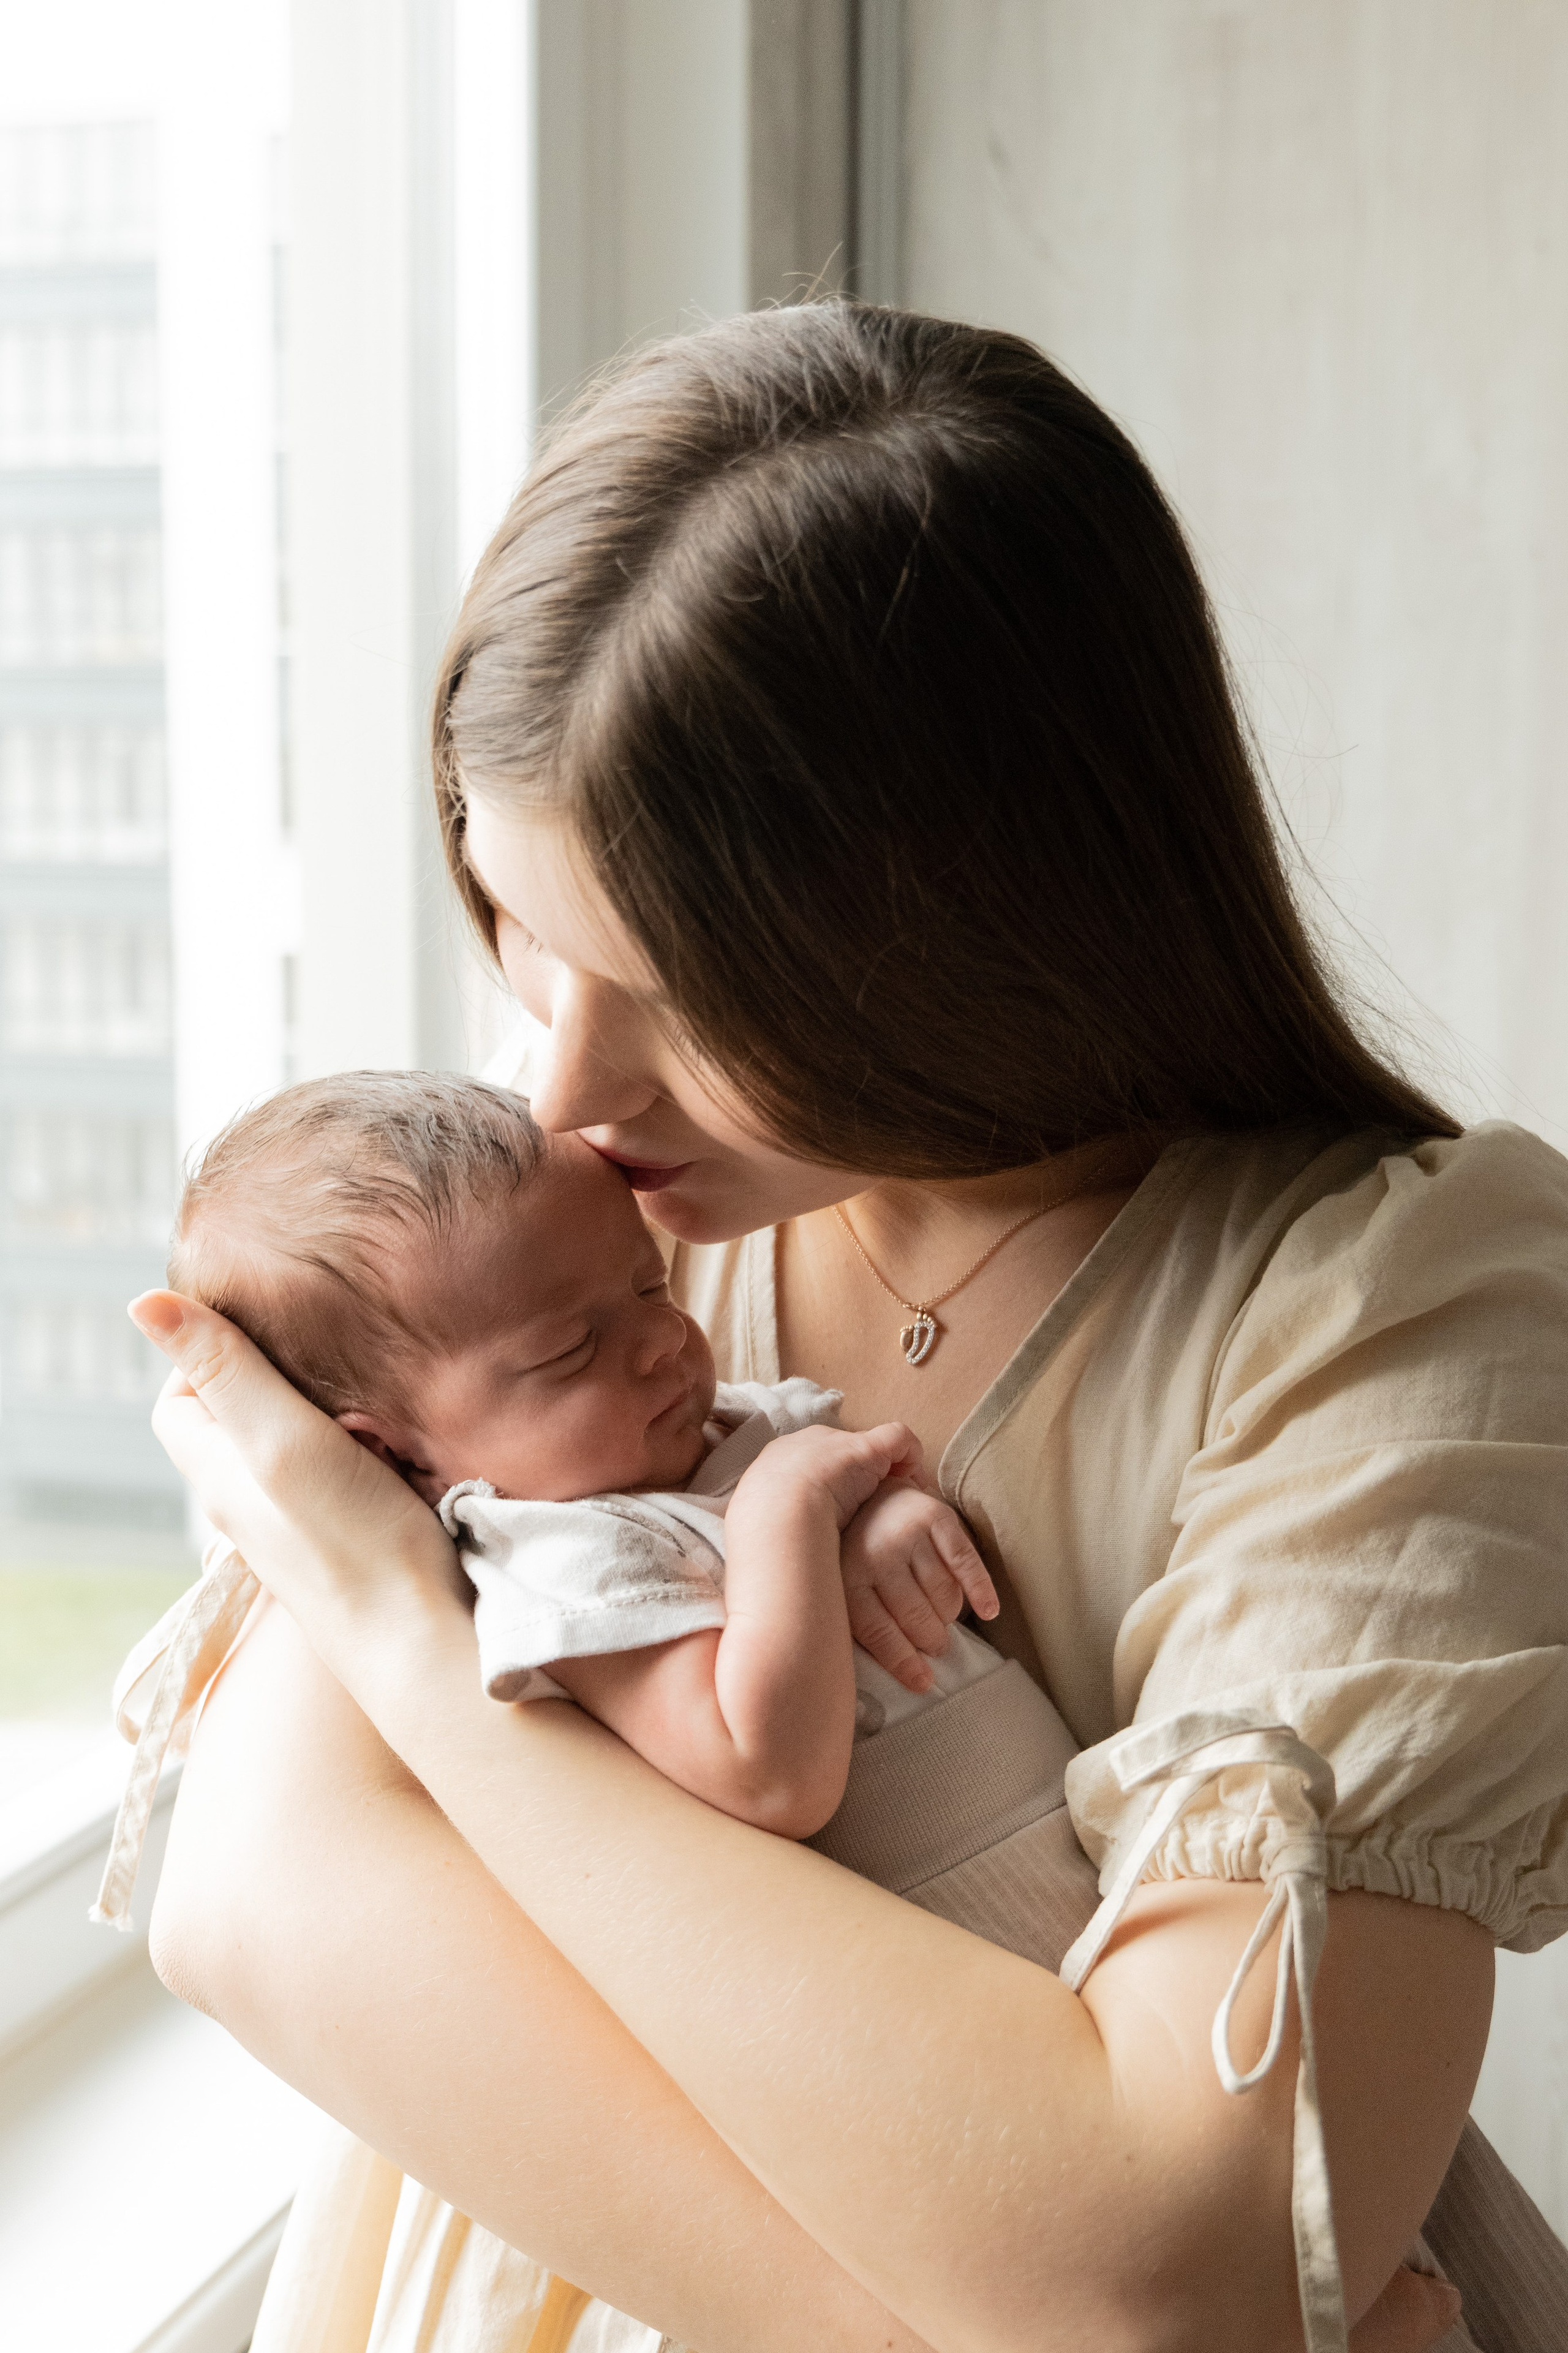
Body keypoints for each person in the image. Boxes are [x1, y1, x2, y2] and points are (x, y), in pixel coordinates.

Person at [133, 303, 1568, 2353]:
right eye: (534, 950)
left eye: (684, 993)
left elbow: (1183, 2260)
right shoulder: (581, 1232)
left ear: (976, 930)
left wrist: (392, 1622)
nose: (561, 1099)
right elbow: (249, 1903)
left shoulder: (1395, 1301)